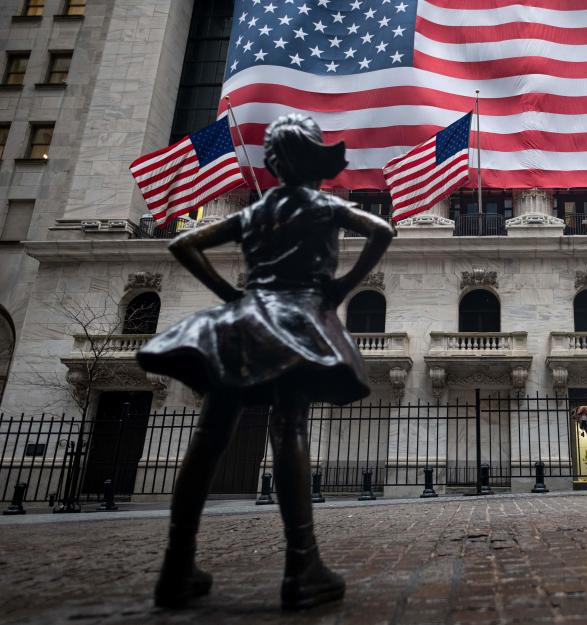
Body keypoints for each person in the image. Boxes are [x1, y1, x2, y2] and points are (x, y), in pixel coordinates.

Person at [137, 114, 394, 610]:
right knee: (289, 426)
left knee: (210, 435)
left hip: (242, 321)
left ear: (275, 165)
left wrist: (228, 294)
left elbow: (183, 243)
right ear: (312, 162)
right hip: (296, 319)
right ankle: (302, 565)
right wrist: (342, 286)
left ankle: (176, 565)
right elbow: (381, 230)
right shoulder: (320, 203)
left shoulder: (254, 212)